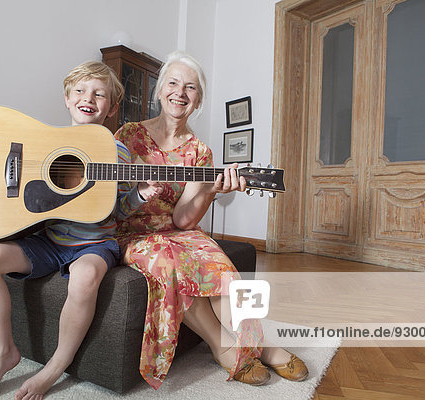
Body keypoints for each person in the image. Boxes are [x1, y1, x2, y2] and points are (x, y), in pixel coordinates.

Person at [0, 61, 161, 400]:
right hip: (48, 241)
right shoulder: (41, 142)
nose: (89, 98)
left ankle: (55, 366)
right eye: (81, 91)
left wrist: (140, 194)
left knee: (85, 277)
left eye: (100, 94)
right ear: (68, 99)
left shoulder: (119, 154)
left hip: (94, 244)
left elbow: (114, 210)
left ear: (112, 108)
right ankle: (2, 354)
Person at [114, 50, 308, 389]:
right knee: (169, 263)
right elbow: (109, 197)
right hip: (135, 232)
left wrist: (208, 191)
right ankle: (223, 346)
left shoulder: (200, 153)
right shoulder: (128, 136)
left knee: (222, 267)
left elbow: (183, 220)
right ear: (159, 91)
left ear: (198, 99)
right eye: (173, 83)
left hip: (178, 231)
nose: (180, 92)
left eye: (190, 87)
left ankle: (259, 342)